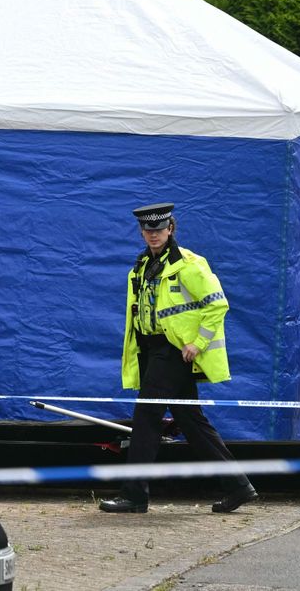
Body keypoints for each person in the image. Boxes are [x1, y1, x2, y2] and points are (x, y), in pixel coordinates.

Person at [99, 202, 258, 514]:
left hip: (172, 351)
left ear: (170, 229)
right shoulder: (142, 266)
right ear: (142, 232)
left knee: (146, 419)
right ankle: (239, 486)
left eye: (159, 229)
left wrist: (198, 343)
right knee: (191, 421)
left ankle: (134, 495)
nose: (153, 234)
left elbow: (217, 304)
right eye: (148, 229)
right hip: (150, 350)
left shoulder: (189, 264)